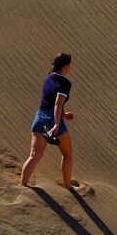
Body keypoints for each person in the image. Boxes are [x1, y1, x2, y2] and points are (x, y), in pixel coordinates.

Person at [19, 53, 78, 189]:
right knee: (67, 154)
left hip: (39, 117)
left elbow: (50, 100)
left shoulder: (49, 78)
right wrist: (57, 124)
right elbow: (57, 102)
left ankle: (22, 186)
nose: (70, 68)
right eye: (70, 66)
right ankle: (67, 186)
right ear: (65, 67)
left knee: (34, 156)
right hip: (52, 120)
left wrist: (63, 113)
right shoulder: (65, 83)